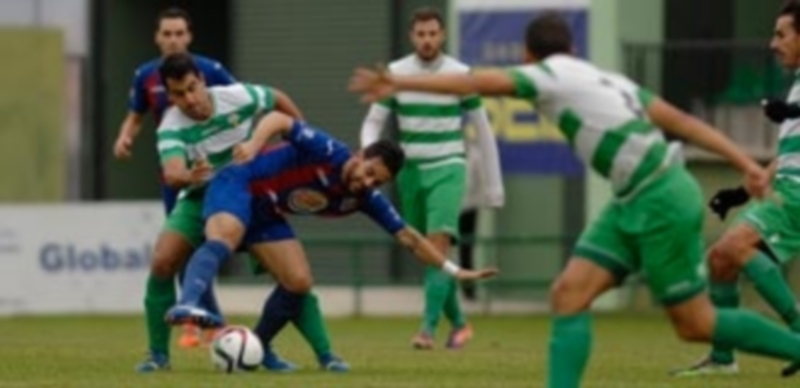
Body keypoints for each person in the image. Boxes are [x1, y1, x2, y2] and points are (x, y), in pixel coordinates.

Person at [348, 12, 800, 387]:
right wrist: (745, 161)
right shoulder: (604, 77)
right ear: (573, 49)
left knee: (695, 323)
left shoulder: (547, 74)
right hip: (636, 196)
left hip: (660, 196)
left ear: (528, 56)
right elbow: (679, 120)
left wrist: (399, 85)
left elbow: (477, 80)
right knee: (569, 294)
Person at [164, 111, 499, 370]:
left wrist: (456, 271)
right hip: (239, 182)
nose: (367, 183)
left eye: (377, 182)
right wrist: (252, 145)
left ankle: (261, 346)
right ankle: (189, 304)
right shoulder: (329, 151)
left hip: (266, 211)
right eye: (369, 171)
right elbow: (279, 119)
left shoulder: (364, 198)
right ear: (360, 154)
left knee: (299, 281)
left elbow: (409, 237)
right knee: (224, 235)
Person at [135, 52, 307, 373]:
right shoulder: (171, 124)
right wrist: (190, 175)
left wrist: (301, 134)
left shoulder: (236, 96)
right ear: (169, 95)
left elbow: (277, 97)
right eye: (178, 94)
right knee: (162, 261)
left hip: (248, 191)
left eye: (191, 88)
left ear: (201, 81)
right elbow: (172, 172)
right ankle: (157, 355)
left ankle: (297, 350)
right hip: (199, 195)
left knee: (295, 276)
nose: (188, 99)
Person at [358, 6, 504, 350]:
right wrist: (369, 156)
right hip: (410, 171)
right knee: (427, 254)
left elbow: (483, 130)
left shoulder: (460, 74)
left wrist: (493, 188)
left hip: (449, 166)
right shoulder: (396, 73)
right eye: (421, 34)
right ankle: (462, 325)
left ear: (443, 35)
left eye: (432, 33)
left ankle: (427, 329)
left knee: (439, 245)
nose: (427, 40)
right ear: (413, 37)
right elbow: (373, 122)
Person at [672, 0, 800, 377]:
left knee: (731, 249)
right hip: (787, 191)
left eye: (781, 34)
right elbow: (790, 153)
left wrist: (792, 113)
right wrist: (741, 192)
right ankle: (723, 359)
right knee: (721, 260)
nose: (772, 44)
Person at [112, 7, 236, 350]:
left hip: (221, 173)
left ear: (189, 36)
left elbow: (240, 106)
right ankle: (202, 322)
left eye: (179, 33)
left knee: (218, 243)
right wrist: (125, 137)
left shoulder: (210, 70)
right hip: (178, 176)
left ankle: (203, 320)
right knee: (183, 248)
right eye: (167, 34)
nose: (173, 40)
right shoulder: (146, 75)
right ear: (157, 37)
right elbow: (135, 116)